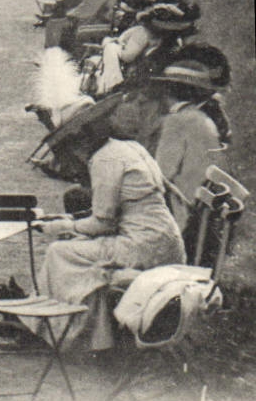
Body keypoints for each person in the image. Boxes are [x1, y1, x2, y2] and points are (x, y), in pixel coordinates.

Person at [31, 132, 186, 352]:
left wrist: (64, 226)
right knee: (81, 249)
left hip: (143, 247)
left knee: (60, 251)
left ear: (79, 146)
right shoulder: (129, 147)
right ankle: (92, 334)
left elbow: (103, 224)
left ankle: (51, 330)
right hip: (166, 240)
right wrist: (71, 221)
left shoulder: (104, 160)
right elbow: (122, 209)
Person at [147, 53, 231, 230]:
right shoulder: (201, 118)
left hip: (180, 215)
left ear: (168, 91)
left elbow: (161, 174)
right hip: (201, 209)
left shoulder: (177, 121)